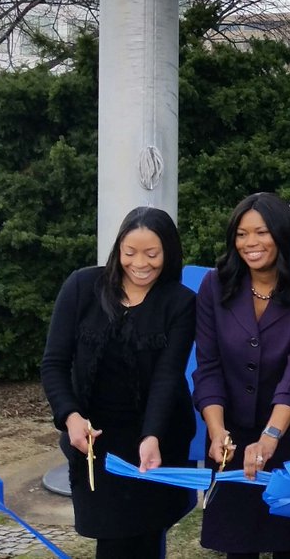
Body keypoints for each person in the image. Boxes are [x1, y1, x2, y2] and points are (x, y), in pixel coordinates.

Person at [41, 207, 196, 559]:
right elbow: (54, 363)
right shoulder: (82, 286)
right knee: (112, 538)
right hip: (96, 442)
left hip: (159, 439)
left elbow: (168, 376)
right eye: (130, 253)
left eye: (152, 254)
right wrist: (70, 417)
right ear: (118, 251)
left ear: (168, 253)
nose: (140, 263)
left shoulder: (181, 302)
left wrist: (152, 434)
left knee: (147, 536)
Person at [192, 192, 290, 559]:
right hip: (231, 430)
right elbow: (207, 365)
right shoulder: (214, 285)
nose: (250, 243)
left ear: (283, 234)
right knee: (236, 541)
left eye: (261, 232)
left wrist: (271, 435)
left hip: (289, 427)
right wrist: (216, 429)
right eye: (241, 234)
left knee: (286, 540)